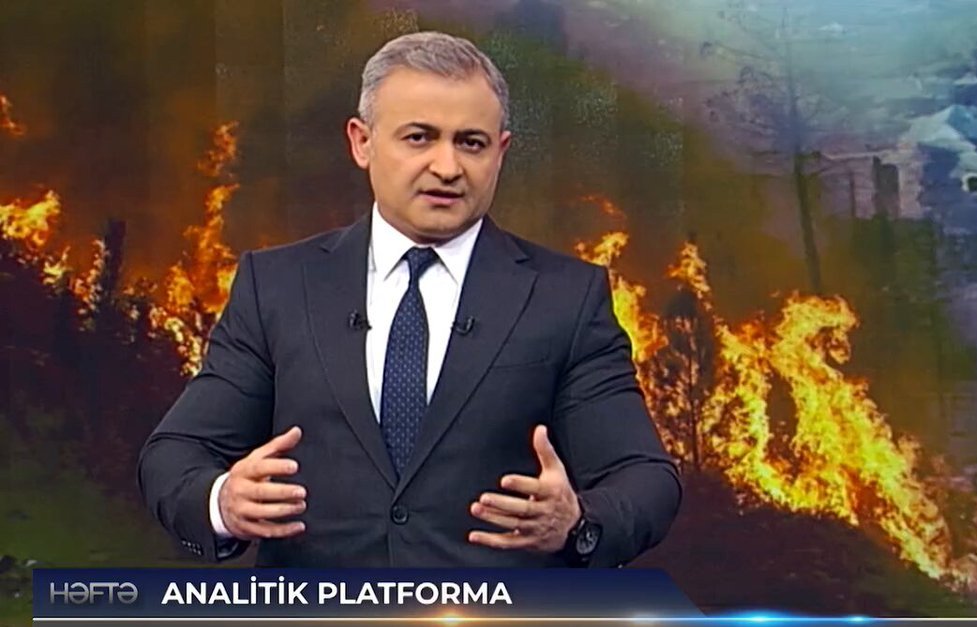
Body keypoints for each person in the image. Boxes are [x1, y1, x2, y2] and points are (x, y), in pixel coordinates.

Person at [137, 31, 681, 569]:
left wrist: (578, 523)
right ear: (362, 142)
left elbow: (645, 478)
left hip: (495, 624)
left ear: (501, 153)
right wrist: (223, 502)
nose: (447, 167)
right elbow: (175, 454)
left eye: (471, 143)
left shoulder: (566, 298)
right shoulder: (277, 285)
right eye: (419, 137)